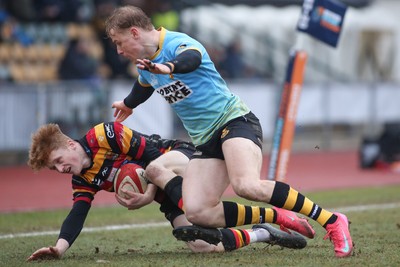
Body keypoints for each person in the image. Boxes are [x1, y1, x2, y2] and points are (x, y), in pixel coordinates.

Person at [105, 5, 354, 258]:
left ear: (134, 32)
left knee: (246, 185)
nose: (118, 50)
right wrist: (128, 103)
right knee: (197, 212)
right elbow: (144, 84)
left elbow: (191, 59)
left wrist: (168, 68)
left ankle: (332, 220)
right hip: (205, 140)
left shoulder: (177, 43)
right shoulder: (144, 66)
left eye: (119, 42)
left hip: (234, 121)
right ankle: (278, 217)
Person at [26, 122, 308, 261]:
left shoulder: (104, 135)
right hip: (165, 192)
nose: (60, 169)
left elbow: (150, 155)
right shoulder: (82, 180)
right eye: (54, 169)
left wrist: (147, 195)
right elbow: (78, 214)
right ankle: (264, 231)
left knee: (184, 199)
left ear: (71, 146)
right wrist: (58, 249)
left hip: (177, 158)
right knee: (205, 247)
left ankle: (280, 213)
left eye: (58, 161)